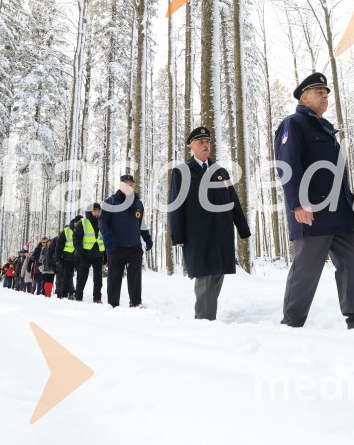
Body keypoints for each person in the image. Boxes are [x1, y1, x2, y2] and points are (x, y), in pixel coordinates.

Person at [273, 72, 354, 330]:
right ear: (304, 98)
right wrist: (298, 203)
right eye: (319, 92)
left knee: (353, 265)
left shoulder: (326, 128)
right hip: (313, 212)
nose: (325, 96)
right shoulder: (293, 123)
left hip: (340, 213)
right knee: (306, 270)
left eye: (327, 93)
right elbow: (287, 165)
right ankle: (291, 323)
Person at [169, 126, 251, 320]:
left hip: (221, 231)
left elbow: (233, 200)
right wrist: (178, 235)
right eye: (201, 142)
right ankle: (204, 322)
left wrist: (242, 228)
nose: (205, 145)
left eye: (207, 142)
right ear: (191, 146)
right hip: (197, 234)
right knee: (205, 275)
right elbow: (176, 205)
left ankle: (206, 318)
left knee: (218, 273)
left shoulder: (220, 172)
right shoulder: (182, 172)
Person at [100, 174, 153, 308]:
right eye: (126, 184)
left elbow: (141, 223)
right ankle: (112, 304)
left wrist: (147, 237)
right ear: (121, 185)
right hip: (116, 247)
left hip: (134, 247)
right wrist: (107, 239)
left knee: (135, 277)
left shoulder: (138, 203)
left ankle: (135, 303)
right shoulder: (110, 202)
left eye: (131, 184)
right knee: (114, 277)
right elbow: (102, 222)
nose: (129, 186)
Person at [73, 203, 106, 303]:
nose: (97, 213)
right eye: (95, 211)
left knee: (98, 278)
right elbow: (76, 239)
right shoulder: (82, 223)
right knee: (82, 277)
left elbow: (105, 239)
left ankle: (97, 298)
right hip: (85, 254)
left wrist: (105, 255)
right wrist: (81, 253)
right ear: (90, 212)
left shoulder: (103, 222)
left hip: (98, 254)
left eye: (98, 211)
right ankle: (78, 297)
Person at [55, 217, 81, 299]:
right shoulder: (66, 231)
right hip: (68, 258)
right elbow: (59, 246)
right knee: (67, 277)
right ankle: (64, 294)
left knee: (80, 277)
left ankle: (78, 295)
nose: (78, 225)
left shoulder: (85, 231)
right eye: (77, 223)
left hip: (80, 257)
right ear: (74, 223)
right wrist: (58, 259)